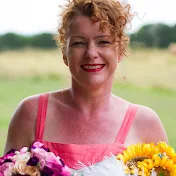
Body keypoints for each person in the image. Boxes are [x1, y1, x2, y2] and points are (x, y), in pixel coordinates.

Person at [4, 0, 168, 174]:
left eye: (103, 42)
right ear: (64, 53)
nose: (91, 53)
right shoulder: (31, 114)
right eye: (79, 43)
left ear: (119, 51)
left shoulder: (146, 124)